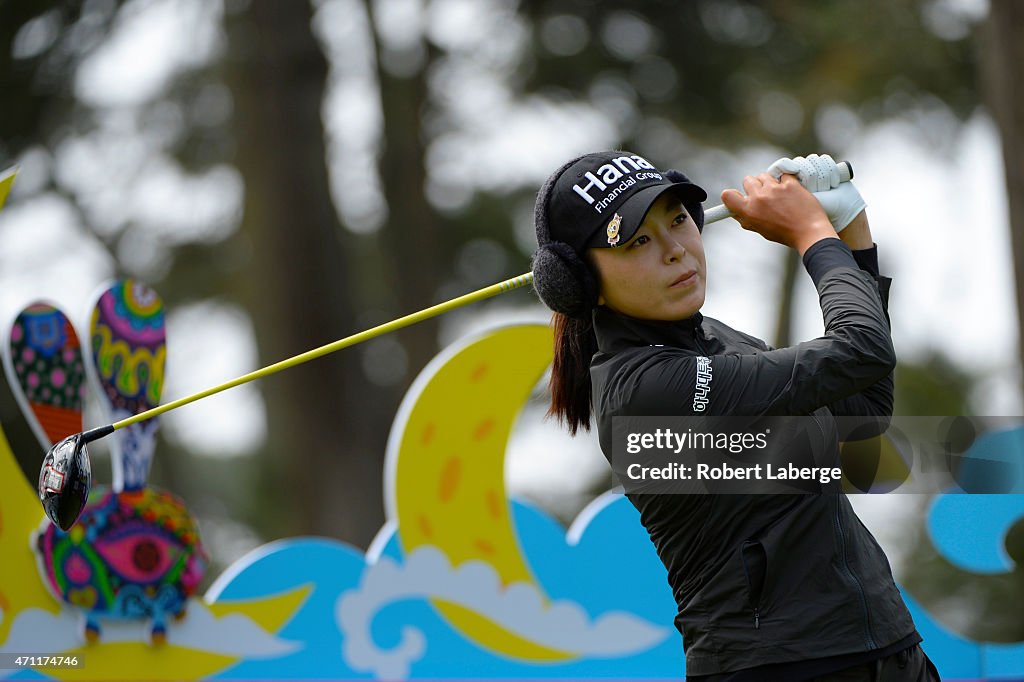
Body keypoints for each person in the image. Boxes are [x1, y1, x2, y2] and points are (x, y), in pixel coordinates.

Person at [530, 150, 941, 681]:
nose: (677, 251)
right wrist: (816, 239)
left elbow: (860, 421)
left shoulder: (719, 341)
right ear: (580, 282)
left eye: (677, 220)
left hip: (887, 651)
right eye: (638, 242)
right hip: (782, 668)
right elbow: (860, 350)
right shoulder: (643, 392)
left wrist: (850, 231)